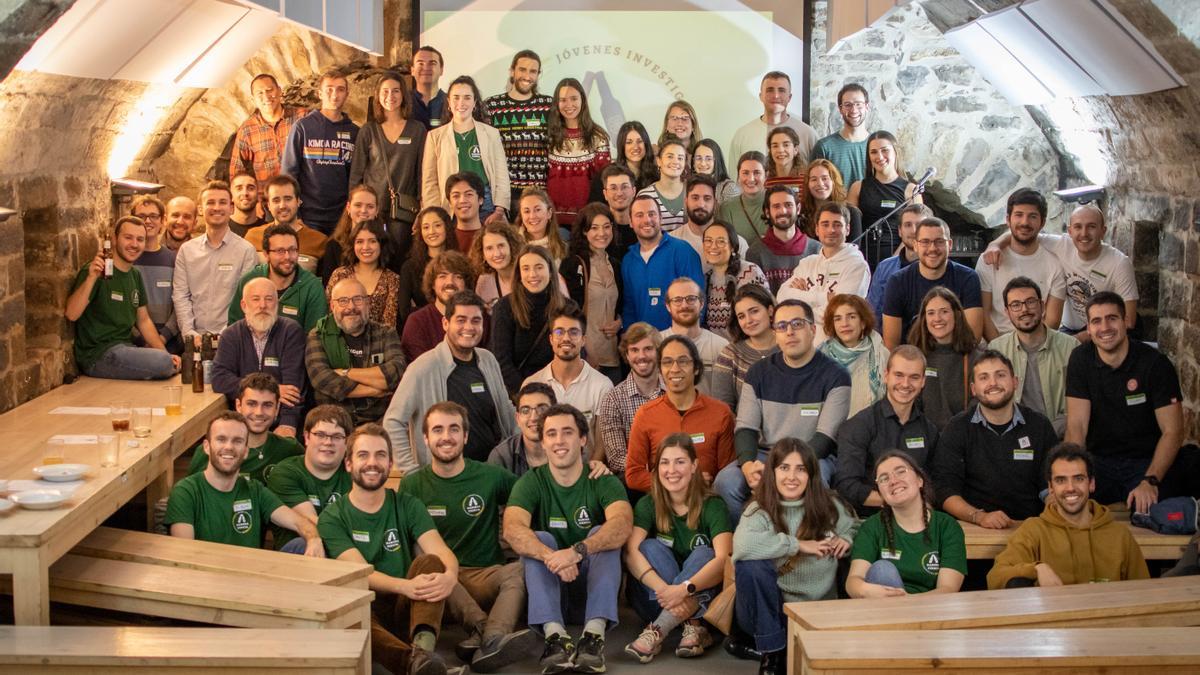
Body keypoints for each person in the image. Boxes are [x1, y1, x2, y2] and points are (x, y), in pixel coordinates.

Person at [401, 403, 538, 673]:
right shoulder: (412, 484)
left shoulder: (490, 476)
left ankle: (493, 639)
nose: (446, 437)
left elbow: (535, 491)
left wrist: (587, 466)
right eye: (437, 430)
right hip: (438, 585)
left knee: (519, 571)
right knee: (431, 564)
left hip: (484, 575)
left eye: (454, 429)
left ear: (465, 436)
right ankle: (483, 629)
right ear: (425, 438)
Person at [317, 422, 459, 674]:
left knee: (431, 562)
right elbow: (361, 572)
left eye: (380, 455)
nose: (372, 463)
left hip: (407, 608)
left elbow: (439, 549)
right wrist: (406, 586)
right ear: (348, 464)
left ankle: (423, 649)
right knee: (349, 614)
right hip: (366, 609)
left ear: (390, 463)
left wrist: (451, 575)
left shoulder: (407, 504)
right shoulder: (332, 517)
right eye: (363, 455)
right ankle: (415, 663)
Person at [502, 403, 632, 675]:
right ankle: (555, 638)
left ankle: (593, 639)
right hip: (551, 591)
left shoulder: (602, 479)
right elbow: (512, 529)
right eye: (551, 434)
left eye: (567, 432)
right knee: (538, 539)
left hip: (592, 590)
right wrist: (552, 557)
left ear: (583, 439)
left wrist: (577, 551)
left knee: (603, 534)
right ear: (543, 442)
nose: (559, 440)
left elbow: (622, 525)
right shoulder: (532, 481)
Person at [716, 299, 851, 522]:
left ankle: (807, 541)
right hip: (765, 453)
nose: (790, 332)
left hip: (813, 456)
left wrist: (782, 470)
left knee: (817, 482)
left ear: (813, 329)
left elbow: (825, 438)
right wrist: (748, 466)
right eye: (782, 326)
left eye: (797, 324)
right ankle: (748, 537)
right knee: (726, 482)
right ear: (775, 333)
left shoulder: (836, 376)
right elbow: (745, 427)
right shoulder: (758, 373)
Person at [731, 438, 855, 675]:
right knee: (750, 566)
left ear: (811, 475)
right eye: (784, 468)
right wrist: (797, 545)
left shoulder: (829, 506)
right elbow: (743, 545)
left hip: (817, 609)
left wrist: (846, 538)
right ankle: (774, 652)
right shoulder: (759, 509)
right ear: (773, 472)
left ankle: (787, 646)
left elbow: (856, 526)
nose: (792, 477)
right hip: (771, 611)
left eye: (801, 469)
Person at [1065, 291, 1187, 511]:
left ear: (1126, 321)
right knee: (1067, 506)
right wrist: (1073, 475)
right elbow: (1077, 426)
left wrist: (1150, 481)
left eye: (1112, 318)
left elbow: (1173, 431)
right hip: (1098, 461)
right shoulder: (1080, 360)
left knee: (1157, 515)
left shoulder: (1156, 364)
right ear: (1088, 328)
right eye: (1096, 321)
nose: (1105, 328)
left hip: (1146, 461)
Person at [624, 434, 731, 662]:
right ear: (656, 469)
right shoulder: (648, 504)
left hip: (698, 597)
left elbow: (724, 560)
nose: (671, 470)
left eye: (680, 462)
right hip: (657, 599)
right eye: (665, 462)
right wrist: (666, 591)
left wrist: (683, 590)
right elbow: (630, 553)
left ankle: (658, 630)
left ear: (694, 466)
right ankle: (692, 626)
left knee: (706, 554)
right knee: (648, 546)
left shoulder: (713, 505)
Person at [385, 291, 515, 473]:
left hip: (492, 473)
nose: (469, 327)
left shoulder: (488, 360)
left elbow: (506, 410)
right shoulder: (423, 367)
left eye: (476, 321)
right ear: (445, 323)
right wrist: (411, 471)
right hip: (443, 478)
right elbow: (393, 422)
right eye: (461, 320)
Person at [987, 443, 1149, 589]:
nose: (1070, 488)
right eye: (1060, 480)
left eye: (1078, 479)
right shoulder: (1034, 530)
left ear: (1091, 483)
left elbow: (1143, 591)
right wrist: (1036, 568)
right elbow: (995, 577)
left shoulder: (1120, 535)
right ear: (1050, 487)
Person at [933, 350, 1058, 527]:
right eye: (984, 377)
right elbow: (944, 490)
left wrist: (1053, 503)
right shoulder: (957, 428)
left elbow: (1050, 483)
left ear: (1015, 382)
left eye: (1000, 375)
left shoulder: (1039, 425)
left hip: (1029, 527)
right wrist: (979, 517)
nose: (993, 383)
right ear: (973, 389)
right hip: (975, 527)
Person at [168, 410, 320, 552]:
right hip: (204, 569)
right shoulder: (186, 491)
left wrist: (314, 539)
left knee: (302, 544)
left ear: (246, 451)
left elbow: (300, 523)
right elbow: (184, 554)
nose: (229, 447)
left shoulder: (254, 490)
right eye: (221, 439)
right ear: (206, 447)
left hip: (252, 569)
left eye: (237, 441)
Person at [982, 203, 1138, 341]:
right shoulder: (1062, 245)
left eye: (1091, 227)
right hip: (1068, 329)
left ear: (1103, 231)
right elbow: (1023, 233)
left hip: (1105, 329)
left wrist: (1077, 340)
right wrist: (995, 245)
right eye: (1078, 227)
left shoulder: (1119, 263)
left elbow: (1129, 320)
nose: (1084, 233)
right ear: (1070, 231)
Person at [66, 216, 180, 379]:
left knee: (166, 359)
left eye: (140, 239)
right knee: (162, 363)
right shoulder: (96, 271)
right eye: (128, 237)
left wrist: (165, 354)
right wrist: (91, 278)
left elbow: (143, 320)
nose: (134, 244)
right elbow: (71, 314)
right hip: (98, 355)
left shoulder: (135, 275)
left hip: (125, 348)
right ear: (114, 239)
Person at [846, 450, 966, 596]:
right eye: (884, 478)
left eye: (901, 472)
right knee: (882, 570)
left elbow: (948, 589)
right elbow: (853, 581)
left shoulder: (947, 526)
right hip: (885, 605)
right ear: (881, 493)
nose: (893, 481)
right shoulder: (872, 526)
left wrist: (907, 602)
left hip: (932, 606)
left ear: (919, 480)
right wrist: (864, 590)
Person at [625, 335, 735, 493]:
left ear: (696, 368)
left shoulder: (721, 413)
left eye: (683, 361)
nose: (675, 369)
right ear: (660, 370)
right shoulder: (645, 415)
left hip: (707, 499)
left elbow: (728, 474)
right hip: (662, 501)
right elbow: (633, 475)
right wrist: (683, 481)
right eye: (667, 362)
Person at [835, 346, 937, 515]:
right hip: (868, 520)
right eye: (899, 375)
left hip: (916, 520)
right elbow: (847, 485)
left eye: (914, 377)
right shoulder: (859, 425)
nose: (905, 384)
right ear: (886, 375)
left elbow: (934, 484)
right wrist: (896, 501)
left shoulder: (929, 430)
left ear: (923, 381)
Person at [211, 277, 306, 435]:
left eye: (269, 299)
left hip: (280, 420)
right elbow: (219, 379)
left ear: (277, 304)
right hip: (241, 421)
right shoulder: (230, 335)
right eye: (256, 299)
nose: (263, 305)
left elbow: (293, 389)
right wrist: (272, 389)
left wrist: (288, 424)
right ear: (244, 305)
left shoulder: (291, 332)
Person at [349, 71, 427, 260]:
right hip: (371, 211)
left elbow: (421, 173)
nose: (390, 96)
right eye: (385, 91)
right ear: (377, 96)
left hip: (404, 212)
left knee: (399, 259)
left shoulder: (417, 130)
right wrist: (353, 209)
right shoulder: (368, 130)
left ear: (403, 95)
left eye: (395, 91)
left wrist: (422, 206)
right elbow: (356, 174)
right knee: (370, 258)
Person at [307, 277, 405, 426]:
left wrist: (345, 372)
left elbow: (396, 372)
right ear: (332, 306)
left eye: (357, 299)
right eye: (343, 301)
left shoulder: (386, 333)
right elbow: (322, 379)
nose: (351, 307)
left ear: (368, 303)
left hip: (379, 424)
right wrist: (374, 391)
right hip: (332, 423)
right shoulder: (318, 335)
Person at [989, 277, 1077, 435]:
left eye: (1030, 302)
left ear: (1042, 306)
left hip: (1060, 436)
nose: (1024, 310)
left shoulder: (1071, 347)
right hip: (1012, 437)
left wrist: (1047, 434)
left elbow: (1078, 406)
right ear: (1007, 312)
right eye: (1016, 305)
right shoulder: (996, 350)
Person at [172, 181, 258, 341]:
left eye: (222, 202)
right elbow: (181, 295)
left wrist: (226, 336)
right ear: (200, 209)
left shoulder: (246, 251)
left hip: (232, 339)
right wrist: (189, 332)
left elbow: (246, 298)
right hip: (193, 340)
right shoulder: (186, 251)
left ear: (231, 208)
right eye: (210, 202)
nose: (217, 208)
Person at [976, 189, 1066, 340]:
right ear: (1008, 219)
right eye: (1019, 215)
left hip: (1040, 343)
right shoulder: (989, 260)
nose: (1025, 222)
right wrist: (999, 348)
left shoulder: (1054, 264)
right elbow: (983, 313)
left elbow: (1052, 321)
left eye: (1032, 216)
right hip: (997, 342)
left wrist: (1034, 347)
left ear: (1042, 222)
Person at [521, 302, 615, 446]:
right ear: (551, 339)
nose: (566, 338)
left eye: (573, 332)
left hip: (587, 461)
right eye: (559, 332)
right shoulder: (532, 384)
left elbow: (602, 444)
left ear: (583, 340)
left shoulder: (602, 385)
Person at [882, 216, 983, 350]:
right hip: (912, 357)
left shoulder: (968, 278)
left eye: (939, 241)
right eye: (925, 242)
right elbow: (891, 343)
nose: (932, 248)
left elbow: (973, 337)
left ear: (950, 244)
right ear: (916, 245)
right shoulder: (897, 281)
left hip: (957, 355)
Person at [777, 201, 871, 344]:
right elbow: (782, 296)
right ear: (817, 229)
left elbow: (836, 315)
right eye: (825, 224)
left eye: (837, 225)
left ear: (847, 229)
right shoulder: (807, 263)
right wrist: (825, 298)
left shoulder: (857, 266)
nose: (831, 230)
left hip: (839, 348)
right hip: (803, 347)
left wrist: (797, 309)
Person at [422, 75, 510, 225]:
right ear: (449, 102)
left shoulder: (491, 134)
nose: (461, 103)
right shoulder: (435, 136)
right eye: (456, 97)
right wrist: (435, 213)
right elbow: (429, 181)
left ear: (474, 102)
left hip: (486, 203)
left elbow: (502, 174)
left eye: (467, 97)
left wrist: (500, 209)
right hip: (450, 204)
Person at [187, 372, 304, 482]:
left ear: (277, 409)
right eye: (251, 404)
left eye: (267, 405)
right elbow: (192, 491)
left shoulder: (290, 449)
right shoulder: (211, 450)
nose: (259, 412)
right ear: (238, 406)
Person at [266, 404, 353, 552]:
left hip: (345, 552)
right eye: (320, 435)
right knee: (302, 544)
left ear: (347, 442)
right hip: (298, 556)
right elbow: (312, 522)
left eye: (337, 437)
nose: (328, 442)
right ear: (306, 437)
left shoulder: (355, 475)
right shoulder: (286, 472)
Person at [281, 69, 358, 236]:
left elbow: (356, 177)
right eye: (329, 89)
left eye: (340, 89)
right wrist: (295, 214)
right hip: (308, 217)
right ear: (320, 94)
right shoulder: (302, 127)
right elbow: (288, 174)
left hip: (342, 217)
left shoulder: (354, 132)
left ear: (347, 94)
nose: (334, 95)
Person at [621, 194, 705, 331]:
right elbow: (629, 307)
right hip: (644, 341)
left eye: (651, 214)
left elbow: (698, 299)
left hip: (678, 339)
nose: (647, 220)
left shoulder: (682, 251)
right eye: (639, 215)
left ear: (661, 218)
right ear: (630, 222)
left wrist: (687, 337)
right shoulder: (628, 260)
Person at [560, 203, 623, 382]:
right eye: (594, 228)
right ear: (584, 231)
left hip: (612, 356)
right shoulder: (572, 265)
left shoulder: (616, 265)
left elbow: (620, 306)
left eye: (606, 227)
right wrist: (586, 350)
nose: (601, 233)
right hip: (584, 356)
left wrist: (620, 322)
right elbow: (567, 312)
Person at [484, 49, 554, 209]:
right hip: (504, 195)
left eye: (533, 71)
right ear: (512, 71)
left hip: (540, 195)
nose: (527, 76)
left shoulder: (548, 105)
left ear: (538, 74)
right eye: (522, 69)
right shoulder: (492, 106)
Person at [908, 286, 985, 429]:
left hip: (963, 435)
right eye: (931, 313)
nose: (937, 318)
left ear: (957, 315)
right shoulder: (915, 358)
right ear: (924, 318)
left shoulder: (976, 359)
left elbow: (980, 406)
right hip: (924, 436)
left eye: (944, 311)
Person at [595, 323, 664, 481]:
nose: (641, 356)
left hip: (675, 477)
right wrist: (657, 470)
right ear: (626, 355)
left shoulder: (673, 392)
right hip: (633, 482)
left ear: (658, 352)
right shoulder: (613, 399)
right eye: (634, 350)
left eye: (648, 349)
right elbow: (616, 458)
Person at [228, 223, 327, 333]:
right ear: (266, 254)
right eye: (280, 251)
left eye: (292, 250)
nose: (287, 257)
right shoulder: (250, 281)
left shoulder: (312, 287)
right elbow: (234, 327)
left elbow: (315, 336)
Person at [492, 245, 566, 391]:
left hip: (560, 390)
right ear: (519, 274)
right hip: (519, 392)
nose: (532, 274)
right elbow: (501, 360)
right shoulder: (504, 308)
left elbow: (575, 353)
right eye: (526, 269)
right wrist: (528, 393)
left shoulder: (566, 307)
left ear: (551, 271)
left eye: (539, 267)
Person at [847, 131, 923, 271]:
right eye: (873, 152)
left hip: (899, 263)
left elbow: (917, 232)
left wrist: (893, 262)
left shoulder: (911, 190)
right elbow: (851, 230)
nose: (879, 156)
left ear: (895, 152)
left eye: (884, 150)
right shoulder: (857, 188)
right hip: (861, 263)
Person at [546, 78, 610, 227]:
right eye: (563, 100)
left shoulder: (598, 137)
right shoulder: (549, 136)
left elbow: (604, 182)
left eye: (574, 98)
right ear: (556, 104)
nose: (569, 105)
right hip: (553, 222)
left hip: (587, 222)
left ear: (583, 100)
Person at [727, 71, 817, 177]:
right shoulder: (742, 135)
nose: (776, 95)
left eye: (781, 90)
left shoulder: (808, 134)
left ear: (789, 97)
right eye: (770, 90)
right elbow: (734, 179)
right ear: (761, 96)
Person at [229, 73, 307, 191]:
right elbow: (236, 172)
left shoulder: (302, 117)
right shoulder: (247, 130)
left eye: (269, 90)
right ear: (253, 99)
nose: (266, 96)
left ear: (279, 91)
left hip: (302, 195)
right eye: (260, 93)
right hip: (267, 199)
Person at [818, 294, 889, 417]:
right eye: (838, 319)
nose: (845, 324)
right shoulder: (820, 358)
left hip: (872, 424)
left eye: (851, 317)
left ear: (863, 322)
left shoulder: (881, 354)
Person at [325, 218, 401, 331]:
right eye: (360, 241)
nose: (365, 247)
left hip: (379, 339)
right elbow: (329, 315)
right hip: (339, 338)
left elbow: (389, 325)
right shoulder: (339, 275)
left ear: (381, 244)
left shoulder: (392, 279)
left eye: (372, 241)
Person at [402, 251, 477, 363]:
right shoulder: (417, 322)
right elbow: (421, 368)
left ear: (466, 284)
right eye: (442, 276)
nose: (450, 282)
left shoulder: (479, 319)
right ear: (432, 284)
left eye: (458, 276)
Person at [711, 285, 777, 411]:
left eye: (754, 311)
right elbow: (722, 409)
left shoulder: (790, 347)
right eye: (741, 316)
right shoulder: (730, 354)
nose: (749, 320)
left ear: (770, 310)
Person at [246, 174, 329, 275]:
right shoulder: (252, 237)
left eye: (288, 199)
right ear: (269, 205)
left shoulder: (319, 241)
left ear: (298, 201)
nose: (282, 206)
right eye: (276, 200)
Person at [130, 196, 181, 355]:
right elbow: (121, 310)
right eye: (141, 216)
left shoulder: (174, 260)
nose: (147, 221)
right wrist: (142, 339)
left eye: (153, 216)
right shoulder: (127, 261)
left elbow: (180, 304)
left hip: (169, 343)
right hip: (134, 345)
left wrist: (161, 339)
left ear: (162, 220)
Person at [746, 184, 820, 294]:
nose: (783, 211)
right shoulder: (755, 253)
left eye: (788, 205)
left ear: (798, 209)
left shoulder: (817, 250)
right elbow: (755, 298)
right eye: (776, 206)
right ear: (767, 212)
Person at [660, 278, 729, 395]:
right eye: (677, 300)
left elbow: (727, 395)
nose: (684, 305)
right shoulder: (656, 343)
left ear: (701, 303)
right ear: (668, 306)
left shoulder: (721, 347)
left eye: (691, 299)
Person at [700, 220, 766, 339]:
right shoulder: (704, 279)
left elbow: (763, 317)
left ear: (732, 247)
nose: (713, 246)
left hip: (748, 347)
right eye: (708, 241)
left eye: (721, 241)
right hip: (717, 349)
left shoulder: (750, 272)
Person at [866, 203, 928, 323]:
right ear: (900, 231)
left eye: (919, 225)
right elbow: (872, 312)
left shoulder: (939, 268)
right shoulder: (884, 267)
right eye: (908, 225)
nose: (913, 231)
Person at [669, 175, 750, 263]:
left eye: (707, 199)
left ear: (715, 204)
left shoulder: (737, 244)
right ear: (686, 202)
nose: (701, 204)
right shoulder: (671, 242)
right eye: (695, 198)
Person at [399, 206, 458, 325]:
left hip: (456, 325)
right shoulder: (409, 267)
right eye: (426, 227)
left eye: (437, 225)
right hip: (423, 326)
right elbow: (404, 311)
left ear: (447, 227)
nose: (431, 232)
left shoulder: (459, 263)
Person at [489, 382, 555, 477]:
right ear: (517, 418)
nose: (534, 417)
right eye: (525, 411)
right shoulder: (501, 456)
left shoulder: (572, 450)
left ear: (555, 414)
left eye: (542, 409)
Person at [811, 83, 870, 186]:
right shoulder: (824, 147)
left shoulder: (878, 147)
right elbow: (815, 186)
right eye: (848, 105)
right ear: (840, 109)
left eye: (858, 104)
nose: (854, 110)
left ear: (867, 106)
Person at [801, 158, 863, 240]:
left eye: (824, 178)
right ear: (807, 184)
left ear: (833, 181)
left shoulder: (852, 212)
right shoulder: (801, 215)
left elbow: (854, 246)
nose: (820, 183)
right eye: (814, 179)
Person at [716, 152, 769, 245]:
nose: (751, 179)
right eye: (745, 173)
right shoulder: (727, 208)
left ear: (766, 175)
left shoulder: (777, 204)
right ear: (738, 176)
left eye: (757, 173)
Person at [636, 140, 688, 233]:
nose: (675, 161)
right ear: (659, 161)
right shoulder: (645, 195)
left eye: (680, 158)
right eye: (670, 156)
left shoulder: (692, 192)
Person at [470, 222, 522, 311]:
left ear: (511, 246)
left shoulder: (528, 274)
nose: (497, 254)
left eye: (501, 246)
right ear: (483, 254)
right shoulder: (484, 282)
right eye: (489, 248)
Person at [515, 187, 570, 265]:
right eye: (527, 211)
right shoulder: (512, 246)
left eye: (537, 210)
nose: (532, 216)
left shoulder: (564, 248)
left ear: (549, 213)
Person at [445, 172, 490, 252]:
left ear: (480, 199)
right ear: (450, 203)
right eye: (456, 196)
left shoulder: (492, 237)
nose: (462, 200)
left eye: (469, 194)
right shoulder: (445, 240)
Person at [691, 138, 739, 203]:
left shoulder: (730, 188)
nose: (703, 163)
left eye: (708, 159)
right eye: (699, 158)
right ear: (693, 162)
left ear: (717, 161)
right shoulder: (688, 186)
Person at [410, 45, 447, 130]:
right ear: (412, 70)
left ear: (441, 70)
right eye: (420, 63)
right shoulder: (402, 102)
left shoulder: (452, 103)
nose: (426, 68)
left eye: (432, 63)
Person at [764, 127, 805, 193]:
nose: (780, 150)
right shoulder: (764, 180)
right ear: (770, 151)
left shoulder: (807, 179)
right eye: (775, 146)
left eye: (786, 145)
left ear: (795, 149)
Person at [228, 172, 265, 238]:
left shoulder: (267, 230)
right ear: (231, 196)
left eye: (251, 188)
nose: (245, 193)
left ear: (258, 195)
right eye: (239, 189)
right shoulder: (221, 229)